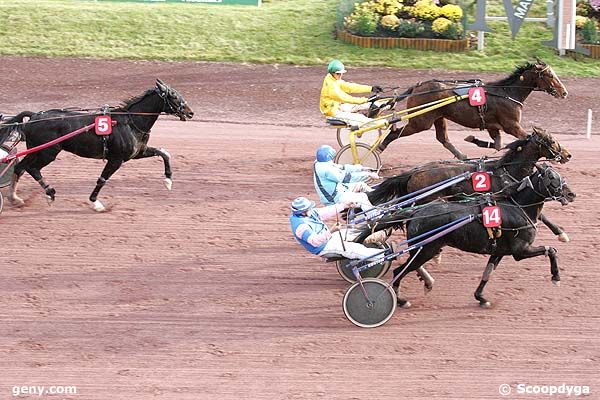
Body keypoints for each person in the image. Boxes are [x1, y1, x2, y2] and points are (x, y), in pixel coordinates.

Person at [289, 196, 388, 260]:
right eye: (309, 208)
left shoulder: (309, 214)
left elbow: (327, 211)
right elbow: (315, 241)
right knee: (354, 249)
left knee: (356, 232)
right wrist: (331, 231)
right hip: (323, 247)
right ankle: (384, 255)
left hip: (330, 237)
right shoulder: (300, 227)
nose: (311, 209)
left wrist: (345, 205)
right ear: (302, 212)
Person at [313, 144, 378, 212]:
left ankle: (377, 199)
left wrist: (362, 168)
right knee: (362, 197)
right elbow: (347, 178)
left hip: (338, 191)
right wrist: (368, 175)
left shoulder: (320, 163)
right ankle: (374, 215)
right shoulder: (327, 170)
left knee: (361, 185)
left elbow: (342, 167)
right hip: (334, 199)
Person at [319, 59, 383, 129]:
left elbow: (350, 87)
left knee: (363, 105)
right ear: (332, 73)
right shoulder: (331, 86)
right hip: (333, 113)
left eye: (341, 73)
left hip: (338, 106)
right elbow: (344, 98)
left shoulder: (333, 79)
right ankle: (385, 124)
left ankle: (382, 106)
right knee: (361, 118)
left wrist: (371, 88)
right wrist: (365, 100)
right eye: (338, 73)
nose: (340, 75)